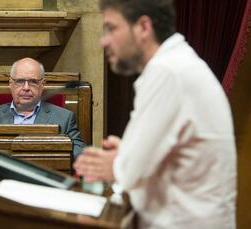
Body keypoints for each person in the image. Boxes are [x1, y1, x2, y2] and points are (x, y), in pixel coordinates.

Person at [73, 0, 236, 228]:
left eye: (111, 28)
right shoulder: (176, 64)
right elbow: (148, 161)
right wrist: (126, 157)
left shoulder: (168, 72)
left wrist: (119, 163)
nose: (103, 41)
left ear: (143, 27)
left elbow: (129, 172)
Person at [0, 57, 85, 158]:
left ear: (42, 85)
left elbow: (79, 154)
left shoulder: (64, 118)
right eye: (20, 81)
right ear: (10, 84)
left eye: (33, 82)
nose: (26, 88)